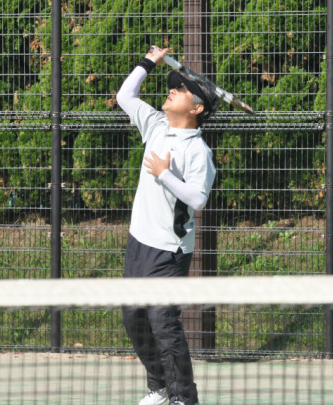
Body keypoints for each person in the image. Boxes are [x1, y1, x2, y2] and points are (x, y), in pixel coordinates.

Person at [116, 45, 219, 405]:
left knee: (163, 323)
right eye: (173, 86)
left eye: (181, 89)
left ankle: (183, 398)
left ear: (196, 108)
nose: (172, 90)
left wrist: (164, 174)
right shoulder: (156, 125)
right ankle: (160, 387)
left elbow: (198, 198)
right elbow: (125, 96)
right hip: (138, 242)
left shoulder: (198, 151)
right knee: (133, 318)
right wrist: (149, 62)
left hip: (169, 251)